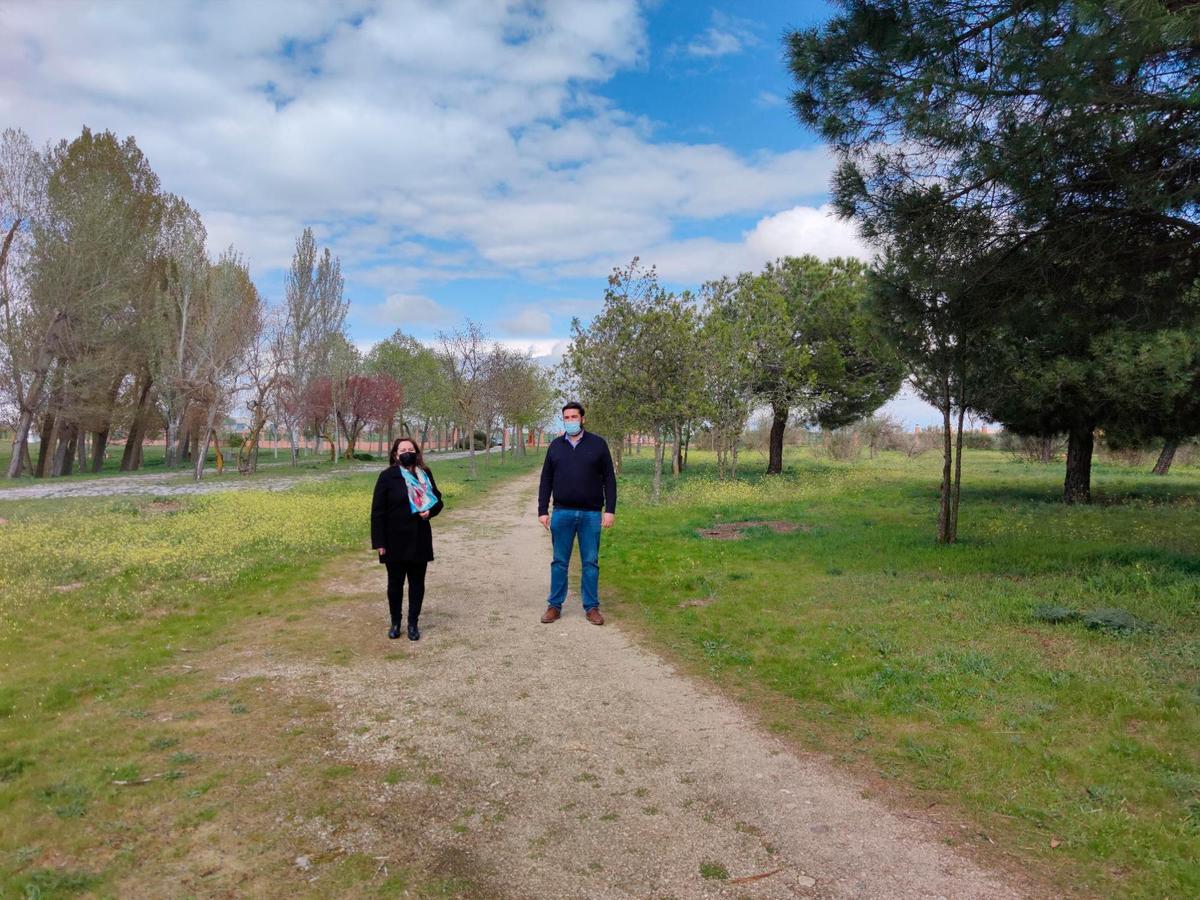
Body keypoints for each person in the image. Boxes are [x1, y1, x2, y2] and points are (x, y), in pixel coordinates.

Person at [537, 401, 616, 625]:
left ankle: (591, 607)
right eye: (567, 417)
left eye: (574, 417)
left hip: (591, 515)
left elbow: (609, 480)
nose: (570, 421)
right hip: (562, 513)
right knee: (559, 561)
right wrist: (543, 510)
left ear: (583, 419)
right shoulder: (555, 447)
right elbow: (546, 480)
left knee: (590, 561)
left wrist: (609, 510)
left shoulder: (598, 445)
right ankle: (554, 605)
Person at [371, 437, 444, 641]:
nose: (407, 452)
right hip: (393, 540)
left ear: (416, 452)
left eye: (410, 449)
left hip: (419, 538)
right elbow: (378, 511)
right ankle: (396, 622)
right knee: (395, 584)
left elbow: (438, 500)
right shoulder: (387, 476)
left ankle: (413, 623)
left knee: (416, 583)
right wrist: (379, 542)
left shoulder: (425, 474)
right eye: (402, 449)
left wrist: (430, 512)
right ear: (395, 454)